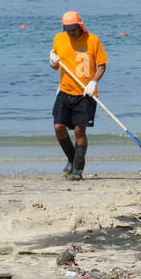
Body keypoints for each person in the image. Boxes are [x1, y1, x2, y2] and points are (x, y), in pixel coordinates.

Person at [49, 11, 108, 180]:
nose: (71, 33)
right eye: (68, 30)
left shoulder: (93, 40)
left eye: (74, 29)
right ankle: (71, 159)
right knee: (58, 128)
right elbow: (55, 65)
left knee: (79, 130)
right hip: (64, 91)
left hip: (85, 93)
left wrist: (93, 83)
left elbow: (102, 66)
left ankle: (77, 170)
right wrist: (52, 62)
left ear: (80, 25)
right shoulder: (59, 39)